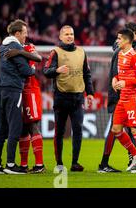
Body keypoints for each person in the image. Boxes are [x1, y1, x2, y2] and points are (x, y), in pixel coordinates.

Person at [43, 25, 94, 173]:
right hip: (62, 97)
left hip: (78, 97)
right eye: (66, 34)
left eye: (71, 34)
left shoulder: (81, 52)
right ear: (60, 37)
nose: (69, 36)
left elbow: (87, 74)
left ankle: (75, 163)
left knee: (77, 130)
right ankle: (59, 163)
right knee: (59, 131)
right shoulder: (55, 52)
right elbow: (46, 71)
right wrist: (56, 70)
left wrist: (90, 93)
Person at [0, 20, 35, 175]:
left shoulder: (3, 46)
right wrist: (33, 68)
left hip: (2, 90)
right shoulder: (15, 46)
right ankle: (10, 164)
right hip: (13, 90)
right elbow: (26, 71)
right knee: (14, 127)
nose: (26, 36)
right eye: (24, 33)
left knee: (1, 128)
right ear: (17, 33)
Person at [98, 22, 136, 173]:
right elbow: (118, 74)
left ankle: (134, 159)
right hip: (120, 95)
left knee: (130, 127)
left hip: (124, 94)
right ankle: (104, 163)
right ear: (133, 34)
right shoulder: (122, 51)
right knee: (115, 129)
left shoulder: (126, 49)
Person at [109, 28, 136, 173]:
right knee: (116, 129)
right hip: (123, 98)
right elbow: (121, 74)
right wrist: (116, 79)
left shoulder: (135, 56)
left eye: (119, 38)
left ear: (126, 40)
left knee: (135, 129)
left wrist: (126, 83)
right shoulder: (120, 54)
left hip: (134, 97)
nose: (117, 41)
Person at [3, 44, 46, 173]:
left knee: (32, 125)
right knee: (22, 129)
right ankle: (23, 165)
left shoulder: (28, 47)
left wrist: (19, 52)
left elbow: (37, 58)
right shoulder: (9, 48)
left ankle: (39, 165)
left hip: (30, 90)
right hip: (17, 91)